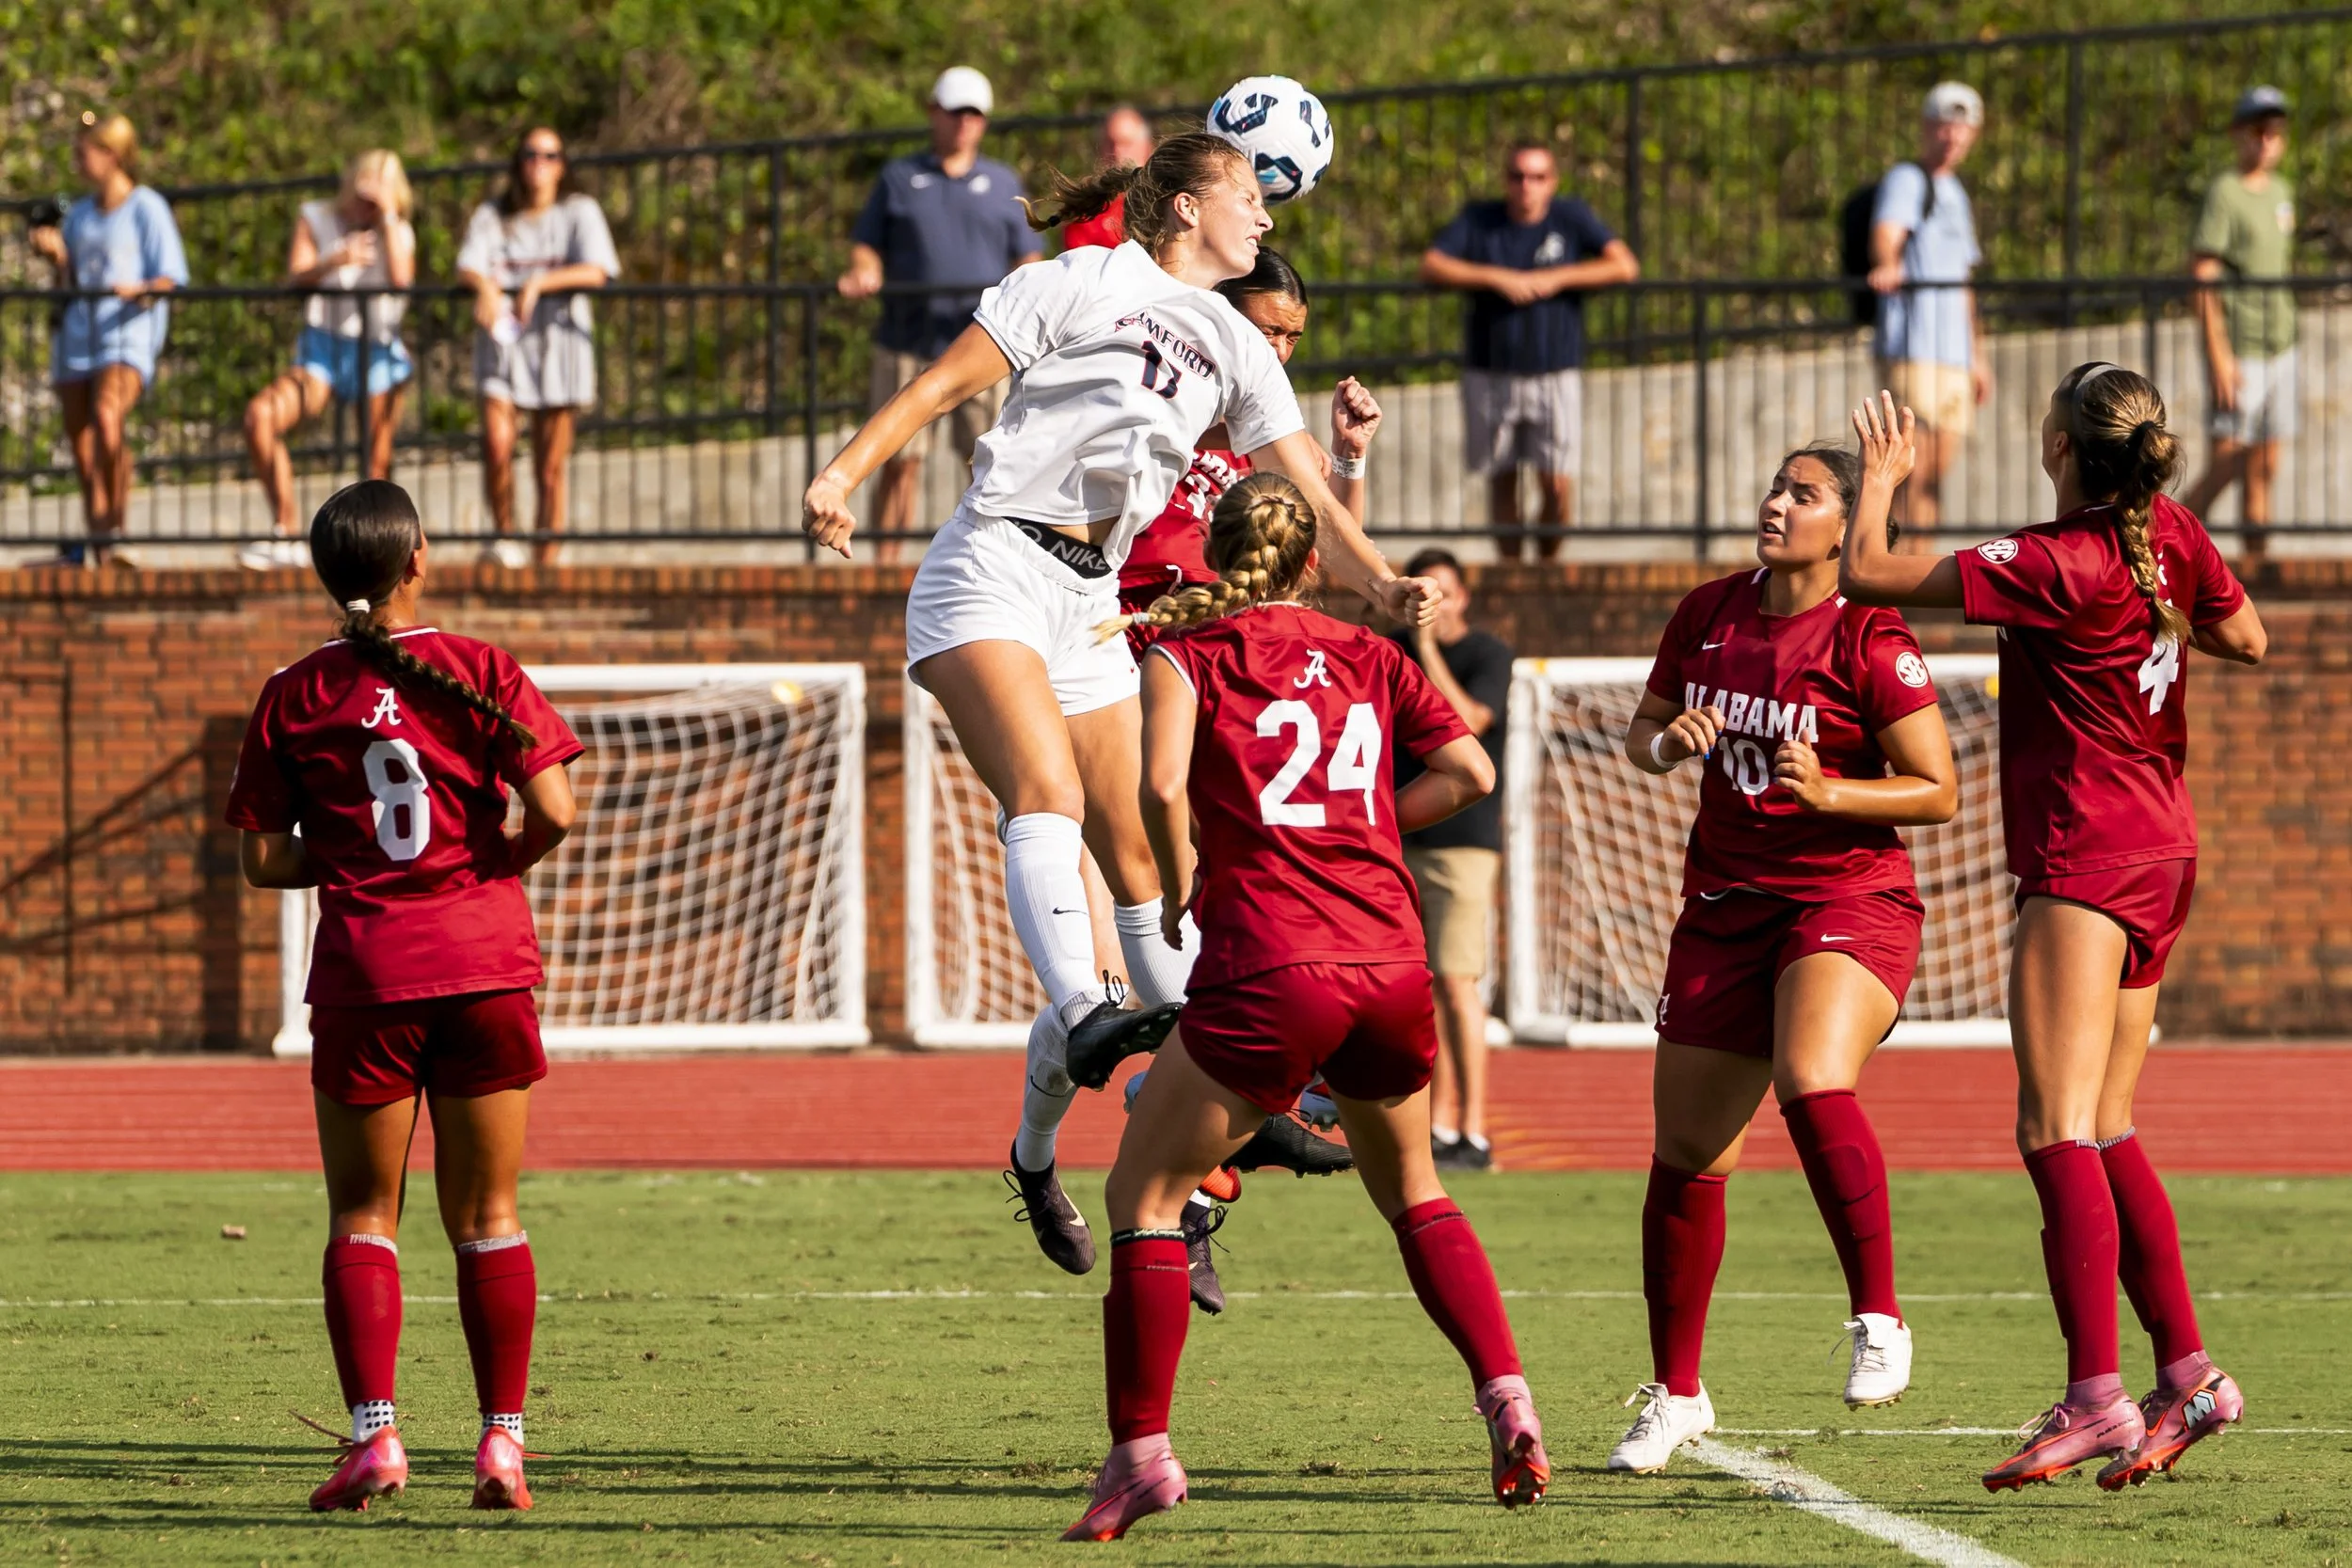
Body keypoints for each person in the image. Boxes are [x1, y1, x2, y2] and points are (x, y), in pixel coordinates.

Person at [802, 133, 1436, 1279]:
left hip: (1091, 601)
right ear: (1187, 205)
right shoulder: (1075, 281)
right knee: (1041, 787)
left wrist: (1381, 580)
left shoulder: (1240, 342)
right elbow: (944, 382)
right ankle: (1088, 1007)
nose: (1264, 217)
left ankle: (1241, 1077)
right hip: (991, 563)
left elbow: (1298, 482)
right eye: (1248, 197)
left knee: (1143, 858)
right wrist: (842, 474)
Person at [1064, 471, 1545, 1541]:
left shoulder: (1185, 650)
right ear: (1313, 563)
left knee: (1143, 1195)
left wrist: (1184, 879)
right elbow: (1467, 770)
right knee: (1415, 1188)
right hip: (1386, 957)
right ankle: (1507, 1394)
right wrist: (1370, 824)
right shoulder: (1371, 656)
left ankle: (1140, 1454)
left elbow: (1155, 786)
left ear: (1209, 556)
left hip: (1275, 959)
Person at [1838, 372, 2266, 1491]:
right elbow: (2251, 637)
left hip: (2087, 847)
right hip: (2164, 843)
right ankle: (2190, 1374)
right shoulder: (2164, 533)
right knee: (2109, 1123)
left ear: (2063, 446)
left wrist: (1880, 480)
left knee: (2052, 1126)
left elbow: (1869, 574)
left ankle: (2095, 1398)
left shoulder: (2058, 558)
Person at [226, 479, 582, 1512]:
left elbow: (259, 861)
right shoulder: (480, 667)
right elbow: (557, 806)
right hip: (484, 966)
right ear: (417, 557)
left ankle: (376, 1438)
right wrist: (495, 857)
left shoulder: (293, 689)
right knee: (490, 1217)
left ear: (325, 572)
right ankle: (503, 1444)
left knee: (362, 1216)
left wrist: (346, 859)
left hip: (368, 976)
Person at [1606, 442, 1958, 1474]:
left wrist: (1835, 791)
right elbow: (1642, 733)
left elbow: (1934, 788)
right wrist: (1670, 747)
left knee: (1810, 1074)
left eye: (1801, 494)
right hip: (1723, 904)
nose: (1774, 503)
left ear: (1846, 523)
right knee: (1685, 1153)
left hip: (1845, 896)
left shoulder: (1870, 634)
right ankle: (1674, 1393)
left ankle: (1879, 1315)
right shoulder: (1709, 611)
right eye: (1774, 486)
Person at [1111, 245, 1382, 1315]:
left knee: (1242, 985)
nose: (1274, 354)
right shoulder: (1152, 431)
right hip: (1143, 714)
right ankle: (1192, 1160)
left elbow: (1331, 583)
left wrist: (1347, 464)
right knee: (1180, 991)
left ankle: (1198, 1184)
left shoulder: (1278, 459)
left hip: (1242, 736)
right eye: (1261, 331)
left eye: (1289, 342)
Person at [839, 68, 1041, 553]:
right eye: (956, 112)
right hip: (906, 340)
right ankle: (884, 576)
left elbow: (1030, 258)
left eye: (975, 114)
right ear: (934, 112)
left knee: (986, 464)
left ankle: (989, 565)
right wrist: (863, 269)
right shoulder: (899, 178)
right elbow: (866, 246)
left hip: (983, 346)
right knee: (899, 461)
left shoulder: (1001, 182)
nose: (965, 123)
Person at [1419, 142, 1638, 560]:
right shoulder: (1480, 220)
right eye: (1518, 176)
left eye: (1537, 177)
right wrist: (1496, 278)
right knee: (1502, 480)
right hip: (1490, 371)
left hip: (1554, 372)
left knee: (1556, 484)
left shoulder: (1569, 218)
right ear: (1506, 180)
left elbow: (1624, 265)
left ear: (1552, 182)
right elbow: (1432, 264)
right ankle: (1513, 574)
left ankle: (1548, 568)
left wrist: (1558, 278)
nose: (1526, 186)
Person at [1384, 548, 1512, 1169]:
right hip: (1395, 840)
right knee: (1412, 989)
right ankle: (1433, 1127)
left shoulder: (1487, 655)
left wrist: (1424, 645)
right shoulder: (1385, 648)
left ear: (1462, 597)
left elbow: (1468, 719)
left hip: (1462, 844)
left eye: (1443, 592)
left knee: (1459, 984)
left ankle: (1475, 1130)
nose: (1430, 604)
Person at [242, 150, 419, 569]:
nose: (365, 205)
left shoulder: (397, 229)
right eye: (362, 194)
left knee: (375, 463)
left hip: (377, 348)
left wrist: (388, 217)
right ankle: (285, 531)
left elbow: (402, 279)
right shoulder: (316, 216)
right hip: (321, 347)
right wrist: (335, 258)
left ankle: (381, 558)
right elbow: (296, 273)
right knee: (260, 417)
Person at [28, 112, 187, 568]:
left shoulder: (146, 207)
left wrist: (140, 290)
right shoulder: (78, 215)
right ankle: (98, 534)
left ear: (112, 155)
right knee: (80, 437)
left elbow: (169, 276)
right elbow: (70, 283)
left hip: (126, 334)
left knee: (108, 413)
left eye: (85, 152)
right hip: (80, 334)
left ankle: (115, 529)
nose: (78, 161)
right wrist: (57, 256)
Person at [455, 127, 620, 567]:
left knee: (549, 468)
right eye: (530, 154)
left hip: (559, 349)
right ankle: (504, 537)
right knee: (497, 443)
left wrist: (541, 282)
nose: (539, 164)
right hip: (503, 349)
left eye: (550, 155)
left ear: (562, 165)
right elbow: (467, 265)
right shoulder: (494, 214)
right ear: (518, 162)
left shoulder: (579, 211)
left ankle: (546, 561)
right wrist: (485, 289)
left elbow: (599, 270)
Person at [1867, 82, 1986, 545]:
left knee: (1935, 471)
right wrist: (1888, 262)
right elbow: (1887, 234)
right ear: (1927, 127)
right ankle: (1888, 568)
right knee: (1909, 468)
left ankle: (1916, 570)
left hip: (1953, 353)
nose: (1952, 137)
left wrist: (1978, 355)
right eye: (1944, 125)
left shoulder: (1955, 192)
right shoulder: (1907, 179)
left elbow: (1964, 282)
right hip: (1914, 346)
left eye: (1962, 127)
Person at [2183, 86, 2296, 560]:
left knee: (2263, 469)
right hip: (2241, 348)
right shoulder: (2225, 193)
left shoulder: (2283, 192)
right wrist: (2220, 355)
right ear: (2238, 134)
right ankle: (2155, 548)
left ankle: (2257, 576)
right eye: (2257, 128)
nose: (2266, 138)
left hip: (2282, 344)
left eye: (2274, 129)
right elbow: (2202, 276)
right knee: (2225, 464)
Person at [1062, 106, 1156, 250]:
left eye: (1126, 143)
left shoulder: (1167, 202)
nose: (1117, 152)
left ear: (1147, 147)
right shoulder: (1087, 212)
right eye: (1110, 143)